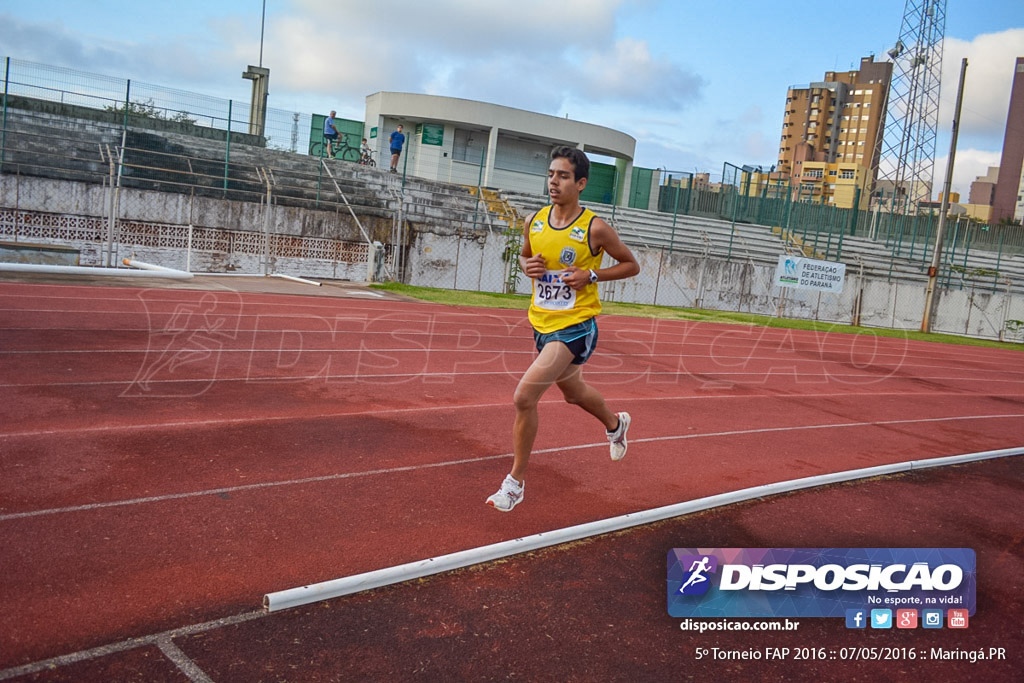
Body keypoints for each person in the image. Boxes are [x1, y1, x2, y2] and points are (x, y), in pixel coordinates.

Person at [486, 146, 640, 512]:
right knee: (573, 393)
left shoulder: (595, 228)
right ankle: (615, 424)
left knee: (524, 397)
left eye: (564, 176)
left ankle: (515, 483)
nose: (554, 182)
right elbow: (525, 255)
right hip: (541, 322)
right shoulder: (534, 221)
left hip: (575, 326)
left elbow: (631, 265)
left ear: (581, 183)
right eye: (551, 174)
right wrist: (527, 265)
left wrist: (592, 274)